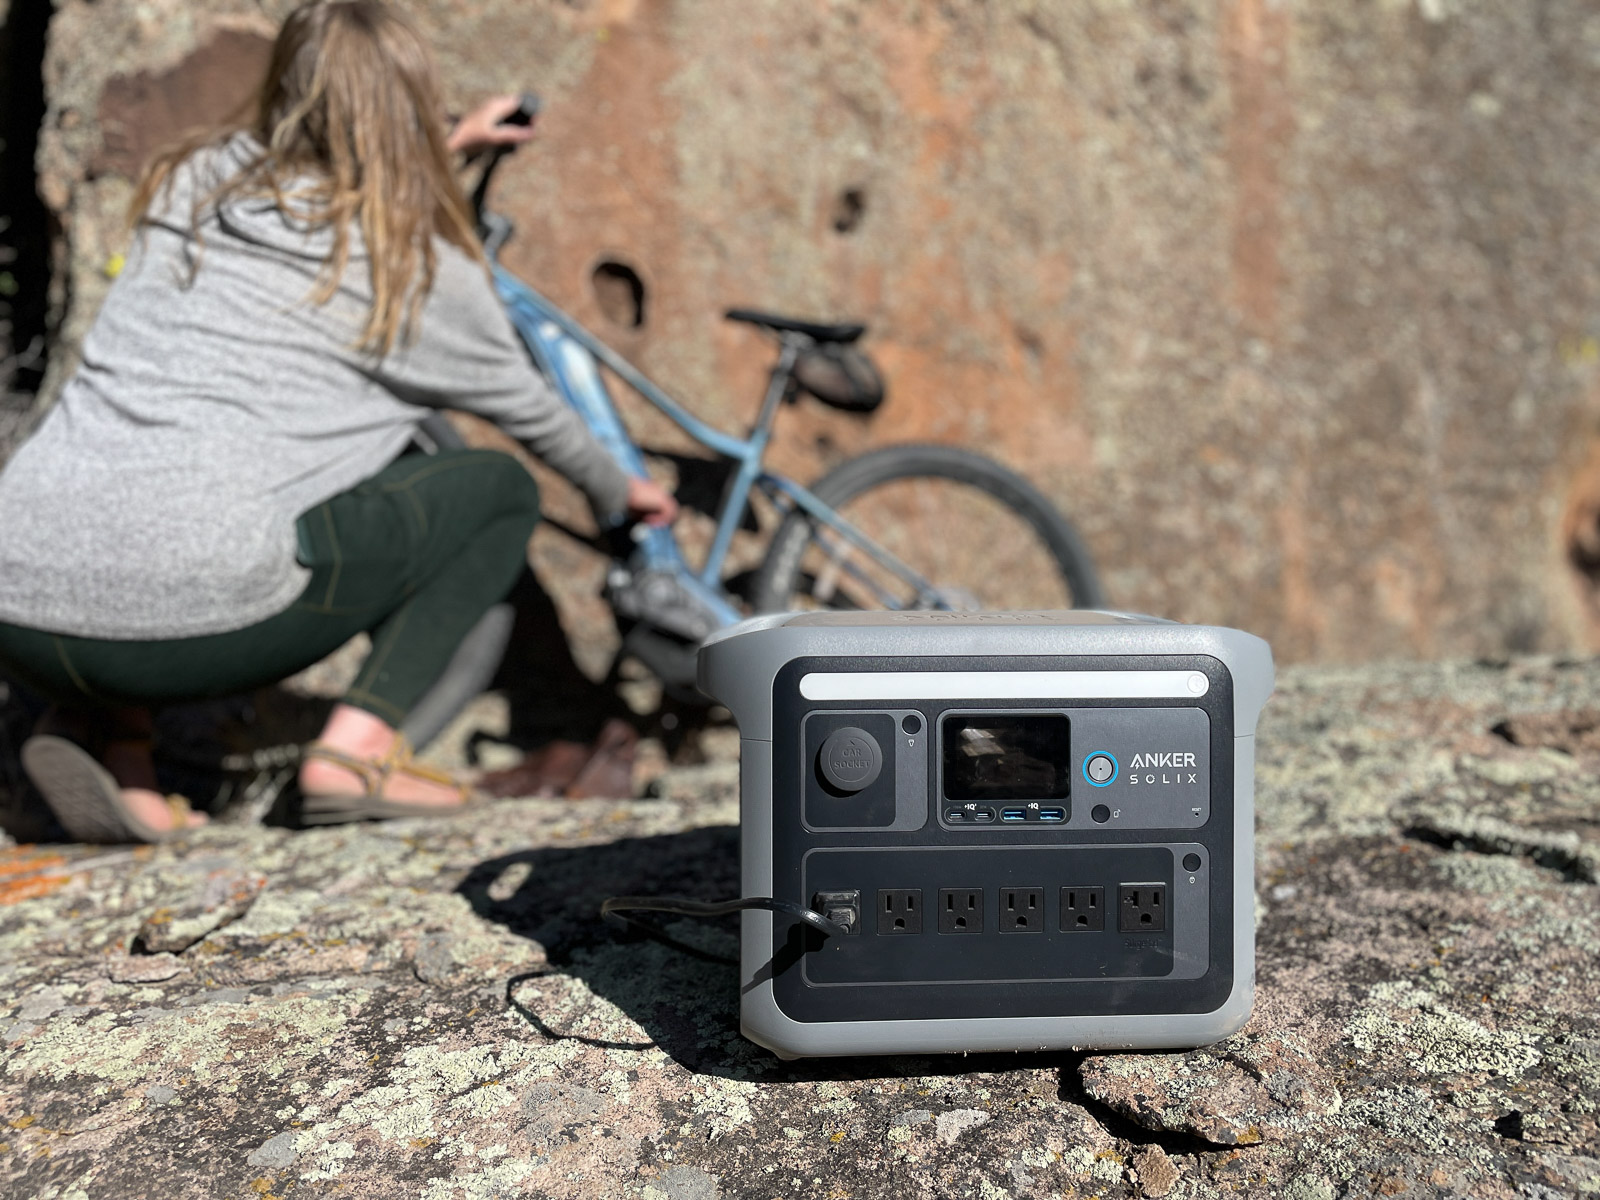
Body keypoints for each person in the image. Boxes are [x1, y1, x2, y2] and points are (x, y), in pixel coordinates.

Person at [0, 0, 676, 842]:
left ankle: (111, 746)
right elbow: (530, 409)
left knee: (148, 484)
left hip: (16, 594)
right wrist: (622, 489)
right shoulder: (415, 263)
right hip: (173, 630)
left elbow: (315, 189)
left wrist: (451, 140)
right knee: (498, 490)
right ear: (411, 107)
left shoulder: (196, 181)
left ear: (287, 88)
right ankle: (355, 755)